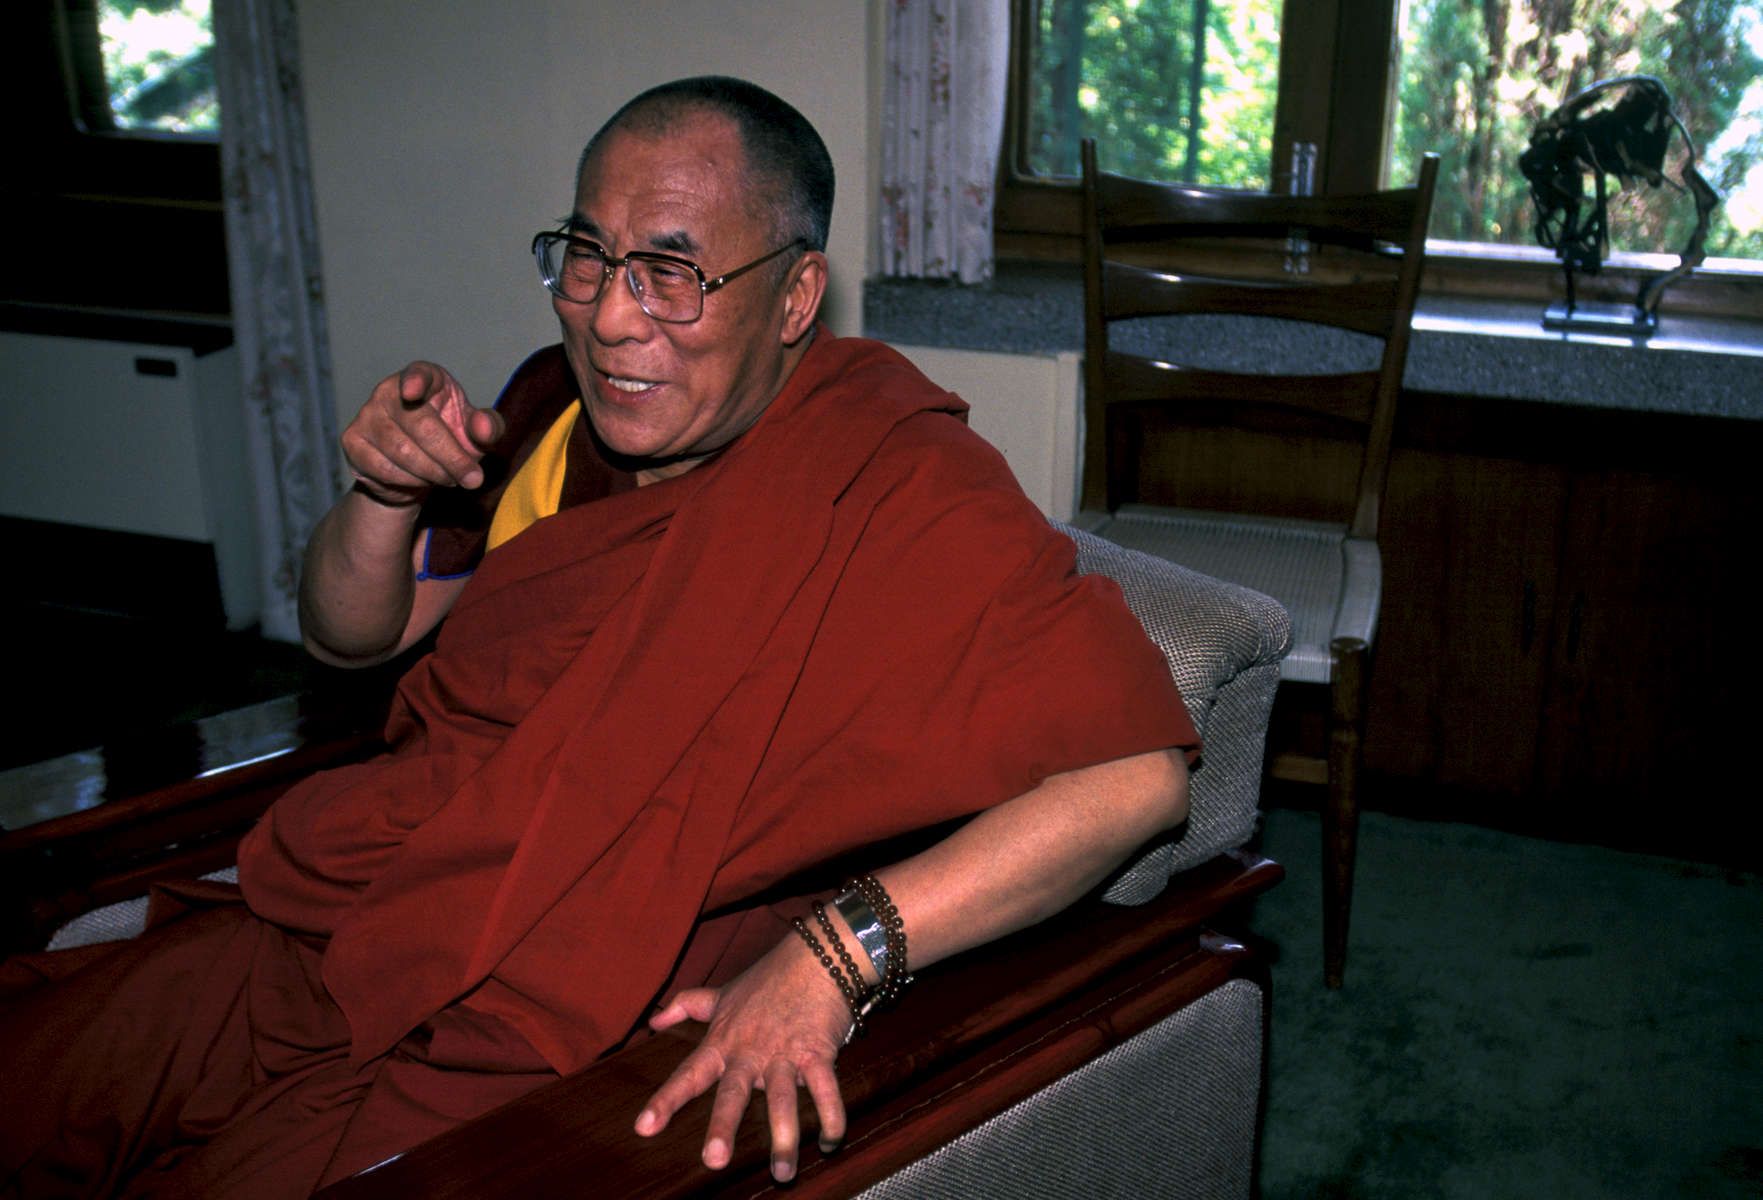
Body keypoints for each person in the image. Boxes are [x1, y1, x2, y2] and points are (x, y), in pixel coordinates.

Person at [1, 76, 1196, 1197]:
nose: (612, 319)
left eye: (671, 273)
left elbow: (1134, 776)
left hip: (563, 1001)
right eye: (587, 256)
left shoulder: (888, 476)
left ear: (792, 297)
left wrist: (835, 956)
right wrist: (379, 496)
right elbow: (353, 638)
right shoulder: (552, 421)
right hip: (350, 914)